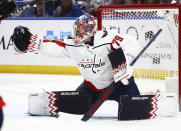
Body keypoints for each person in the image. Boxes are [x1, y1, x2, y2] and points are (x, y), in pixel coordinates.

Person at [11, 14, 140, 115]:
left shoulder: (107, 39)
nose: (77, 32)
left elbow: (130, 42)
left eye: (80, 28)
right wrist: (34, 45)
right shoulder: (72, 44)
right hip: (91, 88)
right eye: (76, 28)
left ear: (90, 29)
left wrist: (127, 61)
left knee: (134, 110)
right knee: (75, 109)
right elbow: (54, 47)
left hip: (119, 85)